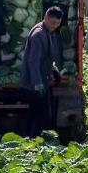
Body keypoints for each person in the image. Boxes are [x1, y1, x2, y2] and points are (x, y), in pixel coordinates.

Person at [20, 7, 65, 137]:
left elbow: (48, 57)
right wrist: (38, 83)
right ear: (45, 18)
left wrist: (55, 70)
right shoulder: (38, 35)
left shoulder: (48, 31)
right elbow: (33, 61)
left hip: (40, 79)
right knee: (38, 113)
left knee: (35, 112)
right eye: (53, 23)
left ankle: (30, 138)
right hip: (33, 82)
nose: (55, 26)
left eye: (58, 23)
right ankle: (32, 138)